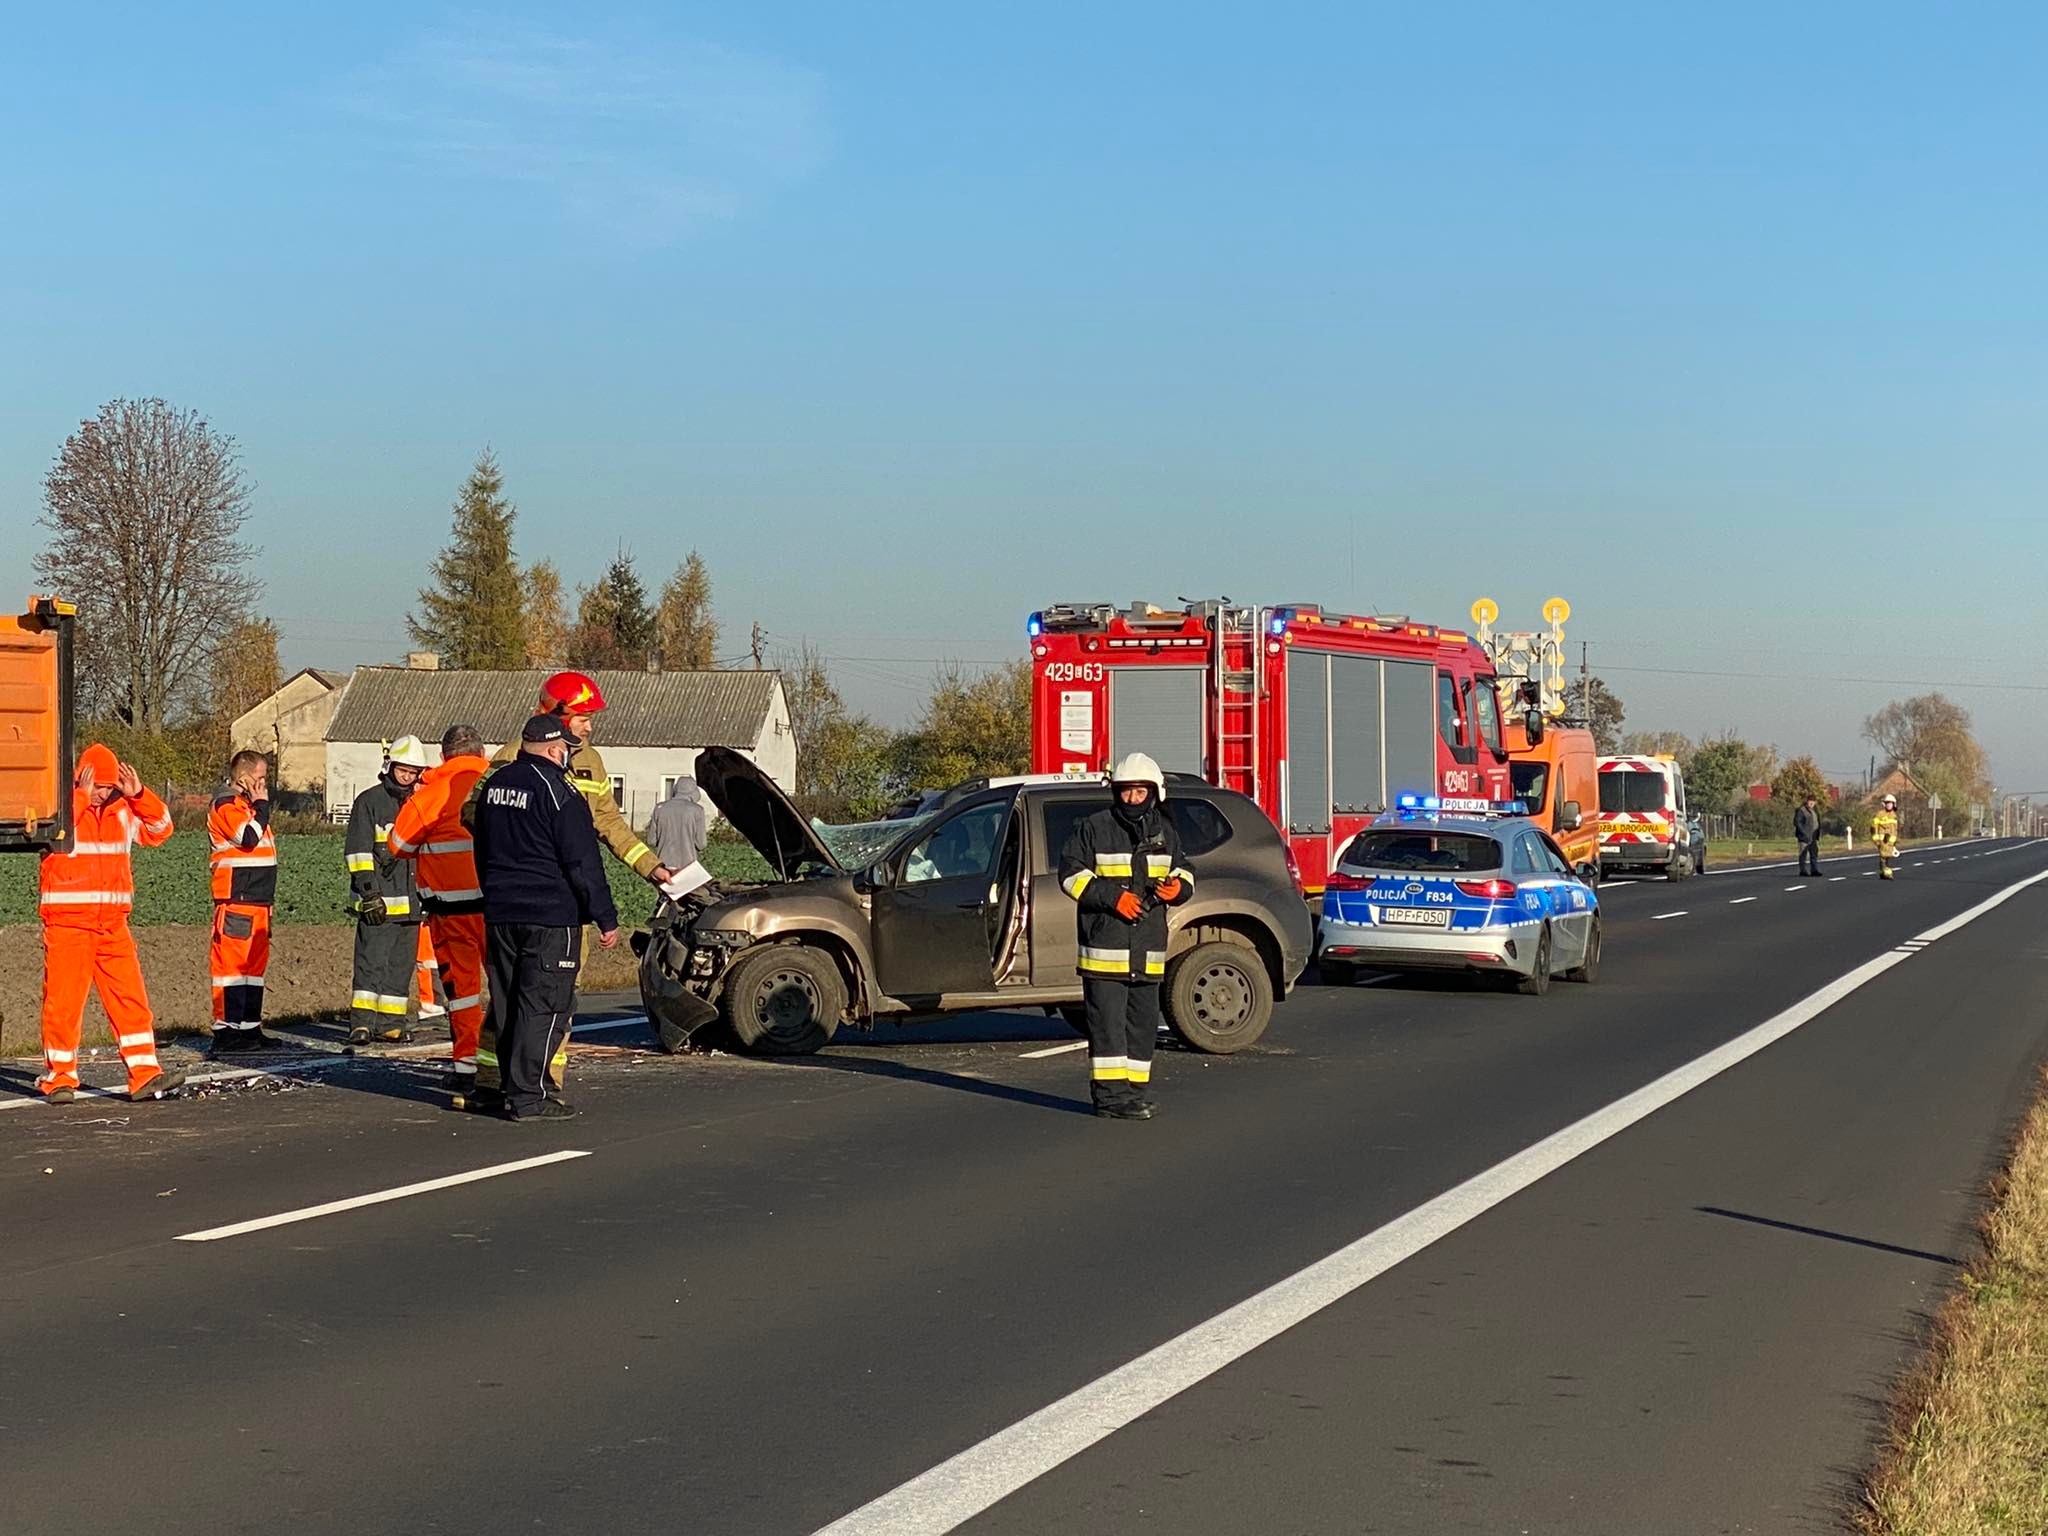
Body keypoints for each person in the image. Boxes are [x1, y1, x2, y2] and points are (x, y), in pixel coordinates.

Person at [465, 671, 673, 1102]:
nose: (590, 726)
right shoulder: (513, 757)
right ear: (554, 713)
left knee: (558, 995)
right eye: (582, 717)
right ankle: (495, 1080)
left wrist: (652, 868)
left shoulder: (590, 762)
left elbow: (609, 823)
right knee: (518, 995)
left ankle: (543, 1078)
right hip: (535, 901)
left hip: (564, 901)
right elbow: (477, 813)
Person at [471, 715, 620, 1122]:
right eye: (568, 751)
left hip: (501, 914)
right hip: (551, 917)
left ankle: (507, 1085)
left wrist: (495, 894)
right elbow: (583, 863)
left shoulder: (494, 786)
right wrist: (605, 917)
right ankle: (529, 1097)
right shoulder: (560, 791)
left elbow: (481, 849)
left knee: (508, 1001)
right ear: (557, 750)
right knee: (545, 1005)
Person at [37, 744, 184, 1102]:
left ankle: (145, 1074)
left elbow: (161, 829)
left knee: (131, 1000)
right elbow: (50, 833)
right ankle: (60, 1079)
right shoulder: (62, 808)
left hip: (112, 925)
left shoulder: (123, 809)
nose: (104, 792)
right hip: (68, 926)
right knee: (63, 1004)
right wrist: (82, 798)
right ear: (83, 779)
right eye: (99, 785)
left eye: (109, 786)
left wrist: (139, 795)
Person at [1057, 753, 1194, 1120]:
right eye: (1126, 791)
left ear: (1154, 793)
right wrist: (1113, 897)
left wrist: (1178, 888)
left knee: (1142, 1026)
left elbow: (1186, 870)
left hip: (1147, 951)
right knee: (1107, 1030)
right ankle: (1111, 1099)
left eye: (1139, 791)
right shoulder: (1093, 827)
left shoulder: (1165, 832)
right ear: (1116, 792)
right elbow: (1070, 874)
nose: (1132, 798)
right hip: (1105, 950)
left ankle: (1134, 1094)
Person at [388, 725, 490, 1106]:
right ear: (481, 753)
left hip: (450, 911)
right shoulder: (497, 782)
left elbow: (398, 845)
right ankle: (511, 1062)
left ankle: (466, 1067)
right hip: (498, 907)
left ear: (445, 756)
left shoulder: (432, 793)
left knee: (462, 993)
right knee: (508, 986)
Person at [344, 735, 432, 1045]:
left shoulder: (421, 803)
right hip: (377, 903)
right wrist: (369, 894)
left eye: (413, 772)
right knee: (370, 965)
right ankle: (362, 1024)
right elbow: (358, 852)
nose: (407, 777)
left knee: (399, 968)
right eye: (402, 770)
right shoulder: (369, 802)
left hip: (411, 905)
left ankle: (391, 1023)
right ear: (389, 767)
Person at [207, 749, 280, 1052]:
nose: (264, 784)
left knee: (253, 970)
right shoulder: (227, 804)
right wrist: (262, 806)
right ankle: (227, 1031)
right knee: (232, 970)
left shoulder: (247, 806)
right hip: (237, 900)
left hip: (258, 901)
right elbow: (247, 838)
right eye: (261, 778)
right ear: (245, 777)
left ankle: (250, 1029)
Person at [648, 774, 708, 876]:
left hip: (664, 867)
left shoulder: (659, 808)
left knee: (665, 891)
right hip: (688, 866)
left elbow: (651, 841)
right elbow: (701, 844)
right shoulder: (697, 810)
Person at [1872, 793, 1901, 880]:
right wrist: (1876, 840)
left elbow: (1894, 829)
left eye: (1891, 803)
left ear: (1894, 804)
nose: (1889, 805)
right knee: (1883, 856)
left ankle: (1882, 872)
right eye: (1887, 803)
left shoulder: (1894, 815)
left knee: (1887, 856)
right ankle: (1887, 873)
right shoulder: (1879, 814)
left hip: (1890, 841)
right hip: (1882, 840)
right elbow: (1874, 827)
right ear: (1884, 804)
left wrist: (1894, 841)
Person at [1794, 794, 1823, 878]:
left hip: (1813, 836)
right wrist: (1804, 834)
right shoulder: (1801, 810)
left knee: (1814, 853)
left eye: (1813, 802)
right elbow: (1797, 823)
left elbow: (1817, 822)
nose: (1811, 804)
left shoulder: (1815, 811)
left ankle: (1814, 870)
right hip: (1804, 836)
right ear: (1807, 801)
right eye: (1810, 802)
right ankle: (1803, 870)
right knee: (1803, 854)